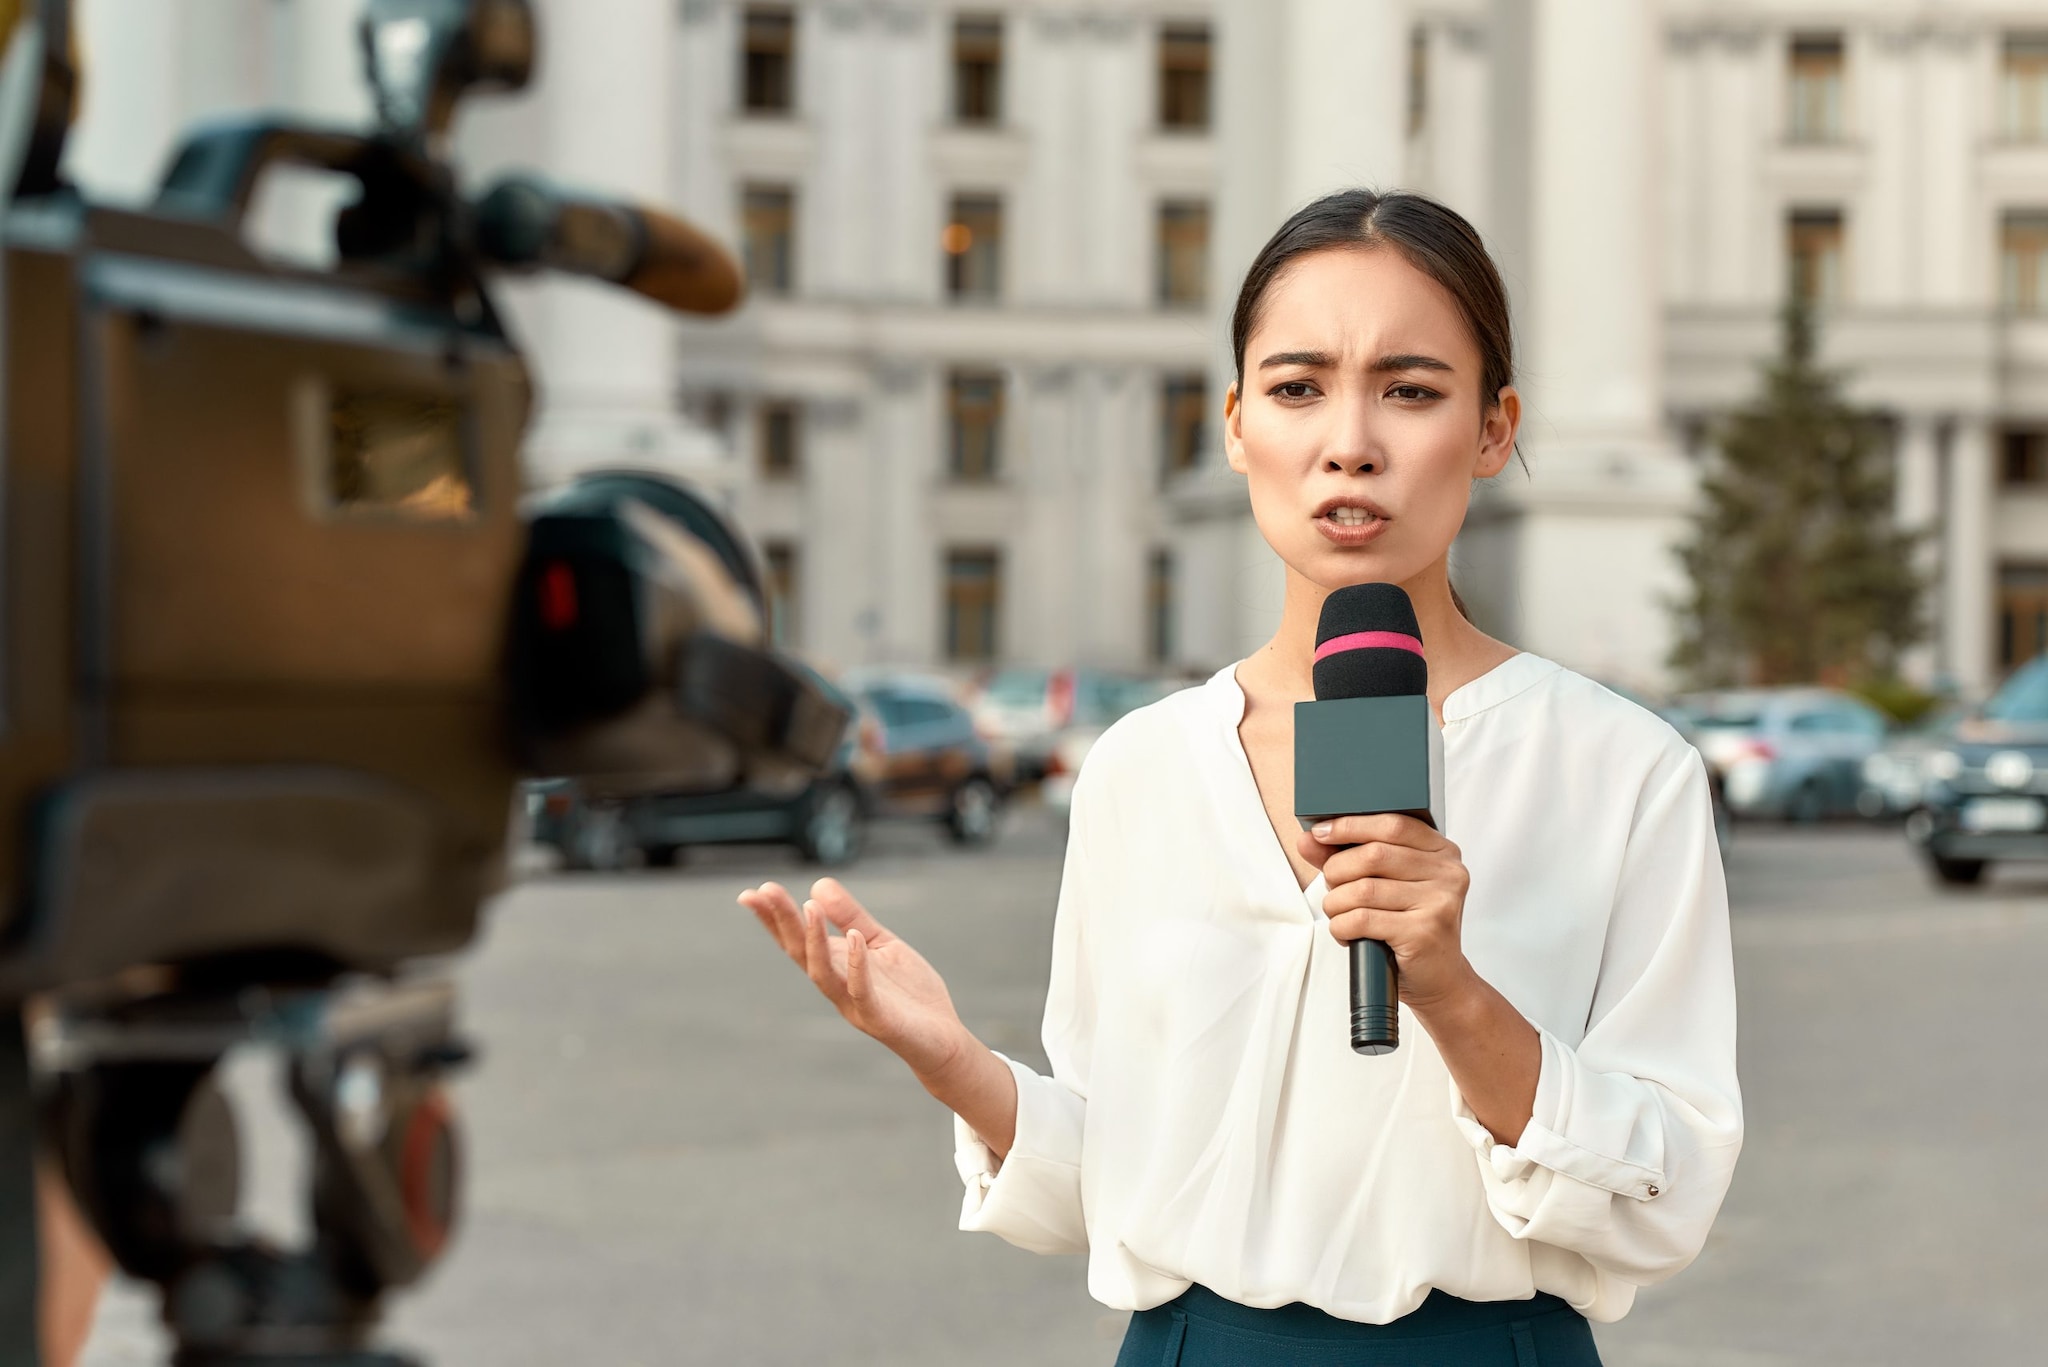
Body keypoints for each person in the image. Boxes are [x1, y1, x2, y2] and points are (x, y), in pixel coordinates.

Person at [739, 188, 1740, 1365]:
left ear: (1491, 427)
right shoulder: (1140, 768)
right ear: (1233, 423)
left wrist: (1452, 990)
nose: (1348, 440)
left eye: (1409, 389)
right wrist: (953, 1060)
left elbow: (1664, 1192)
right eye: (1296, 386)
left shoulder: (1620, 770)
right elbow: (1114, 1178)